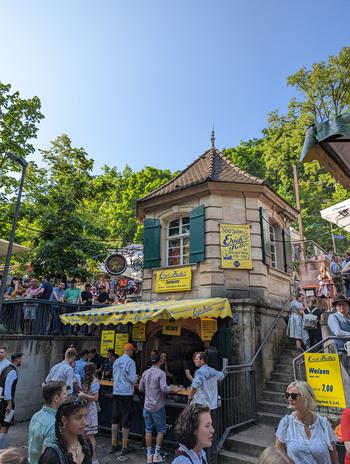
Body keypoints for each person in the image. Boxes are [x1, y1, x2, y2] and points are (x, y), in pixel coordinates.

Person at [275, 380, 338, 463]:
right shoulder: (286, 422)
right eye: (287, 395)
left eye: (293, 396)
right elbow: (278, 450)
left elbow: (334, 455)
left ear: (306, 396)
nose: (289, 398)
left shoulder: (323, 424)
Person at [139, 354, 179, 463]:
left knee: (148, 430)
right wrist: (173, 389)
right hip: (158, 406)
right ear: (160, 362)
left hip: (146, 406)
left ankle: (149, 455)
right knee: (161, 431)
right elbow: (164, 389)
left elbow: (140, 388)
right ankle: (156, 454)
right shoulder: (161, 373)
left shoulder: (145, 373)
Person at [38, 397, 92, 464]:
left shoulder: (86, 444)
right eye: (79, 417)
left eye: (85, 416)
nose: (84, 422)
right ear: (64, 420)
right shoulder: (53, 455)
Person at [28, 381, 68, 464]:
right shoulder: (53, 425)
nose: (67, 395)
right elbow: (48, 458)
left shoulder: (36, 415)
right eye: (64, 393)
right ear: (56, 398)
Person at [110, 343, 137, 457]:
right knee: (125, 420)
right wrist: (135, 378)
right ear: (129, 350)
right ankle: (125, 446)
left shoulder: (116, 361)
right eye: (133, 351)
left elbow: (114, 376)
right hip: (126, 393)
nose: (133, 352)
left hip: (116, 392)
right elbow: (132, 380)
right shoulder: (130, 362)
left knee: (115, 420)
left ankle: (114, 444)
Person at [78, 363, 100, 464]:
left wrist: (84, 395)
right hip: (85, 409)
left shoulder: (95, 382)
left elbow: (95, 398)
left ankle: (94, 458)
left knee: (90, 435)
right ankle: (85, 457)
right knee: (83, 434)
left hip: (91, 409)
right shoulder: (86, 382)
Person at [0, 352, 23, 449]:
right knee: (5, 426)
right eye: (21, 359)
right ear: (17, 359)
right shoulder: (12, 371)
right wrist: (9, 403)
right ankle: (2, 449)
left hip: (2, 401)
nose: (21, 360)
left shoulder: (5, 368)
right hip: (6, 403)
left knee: (2, 425)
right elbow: (7, 388)